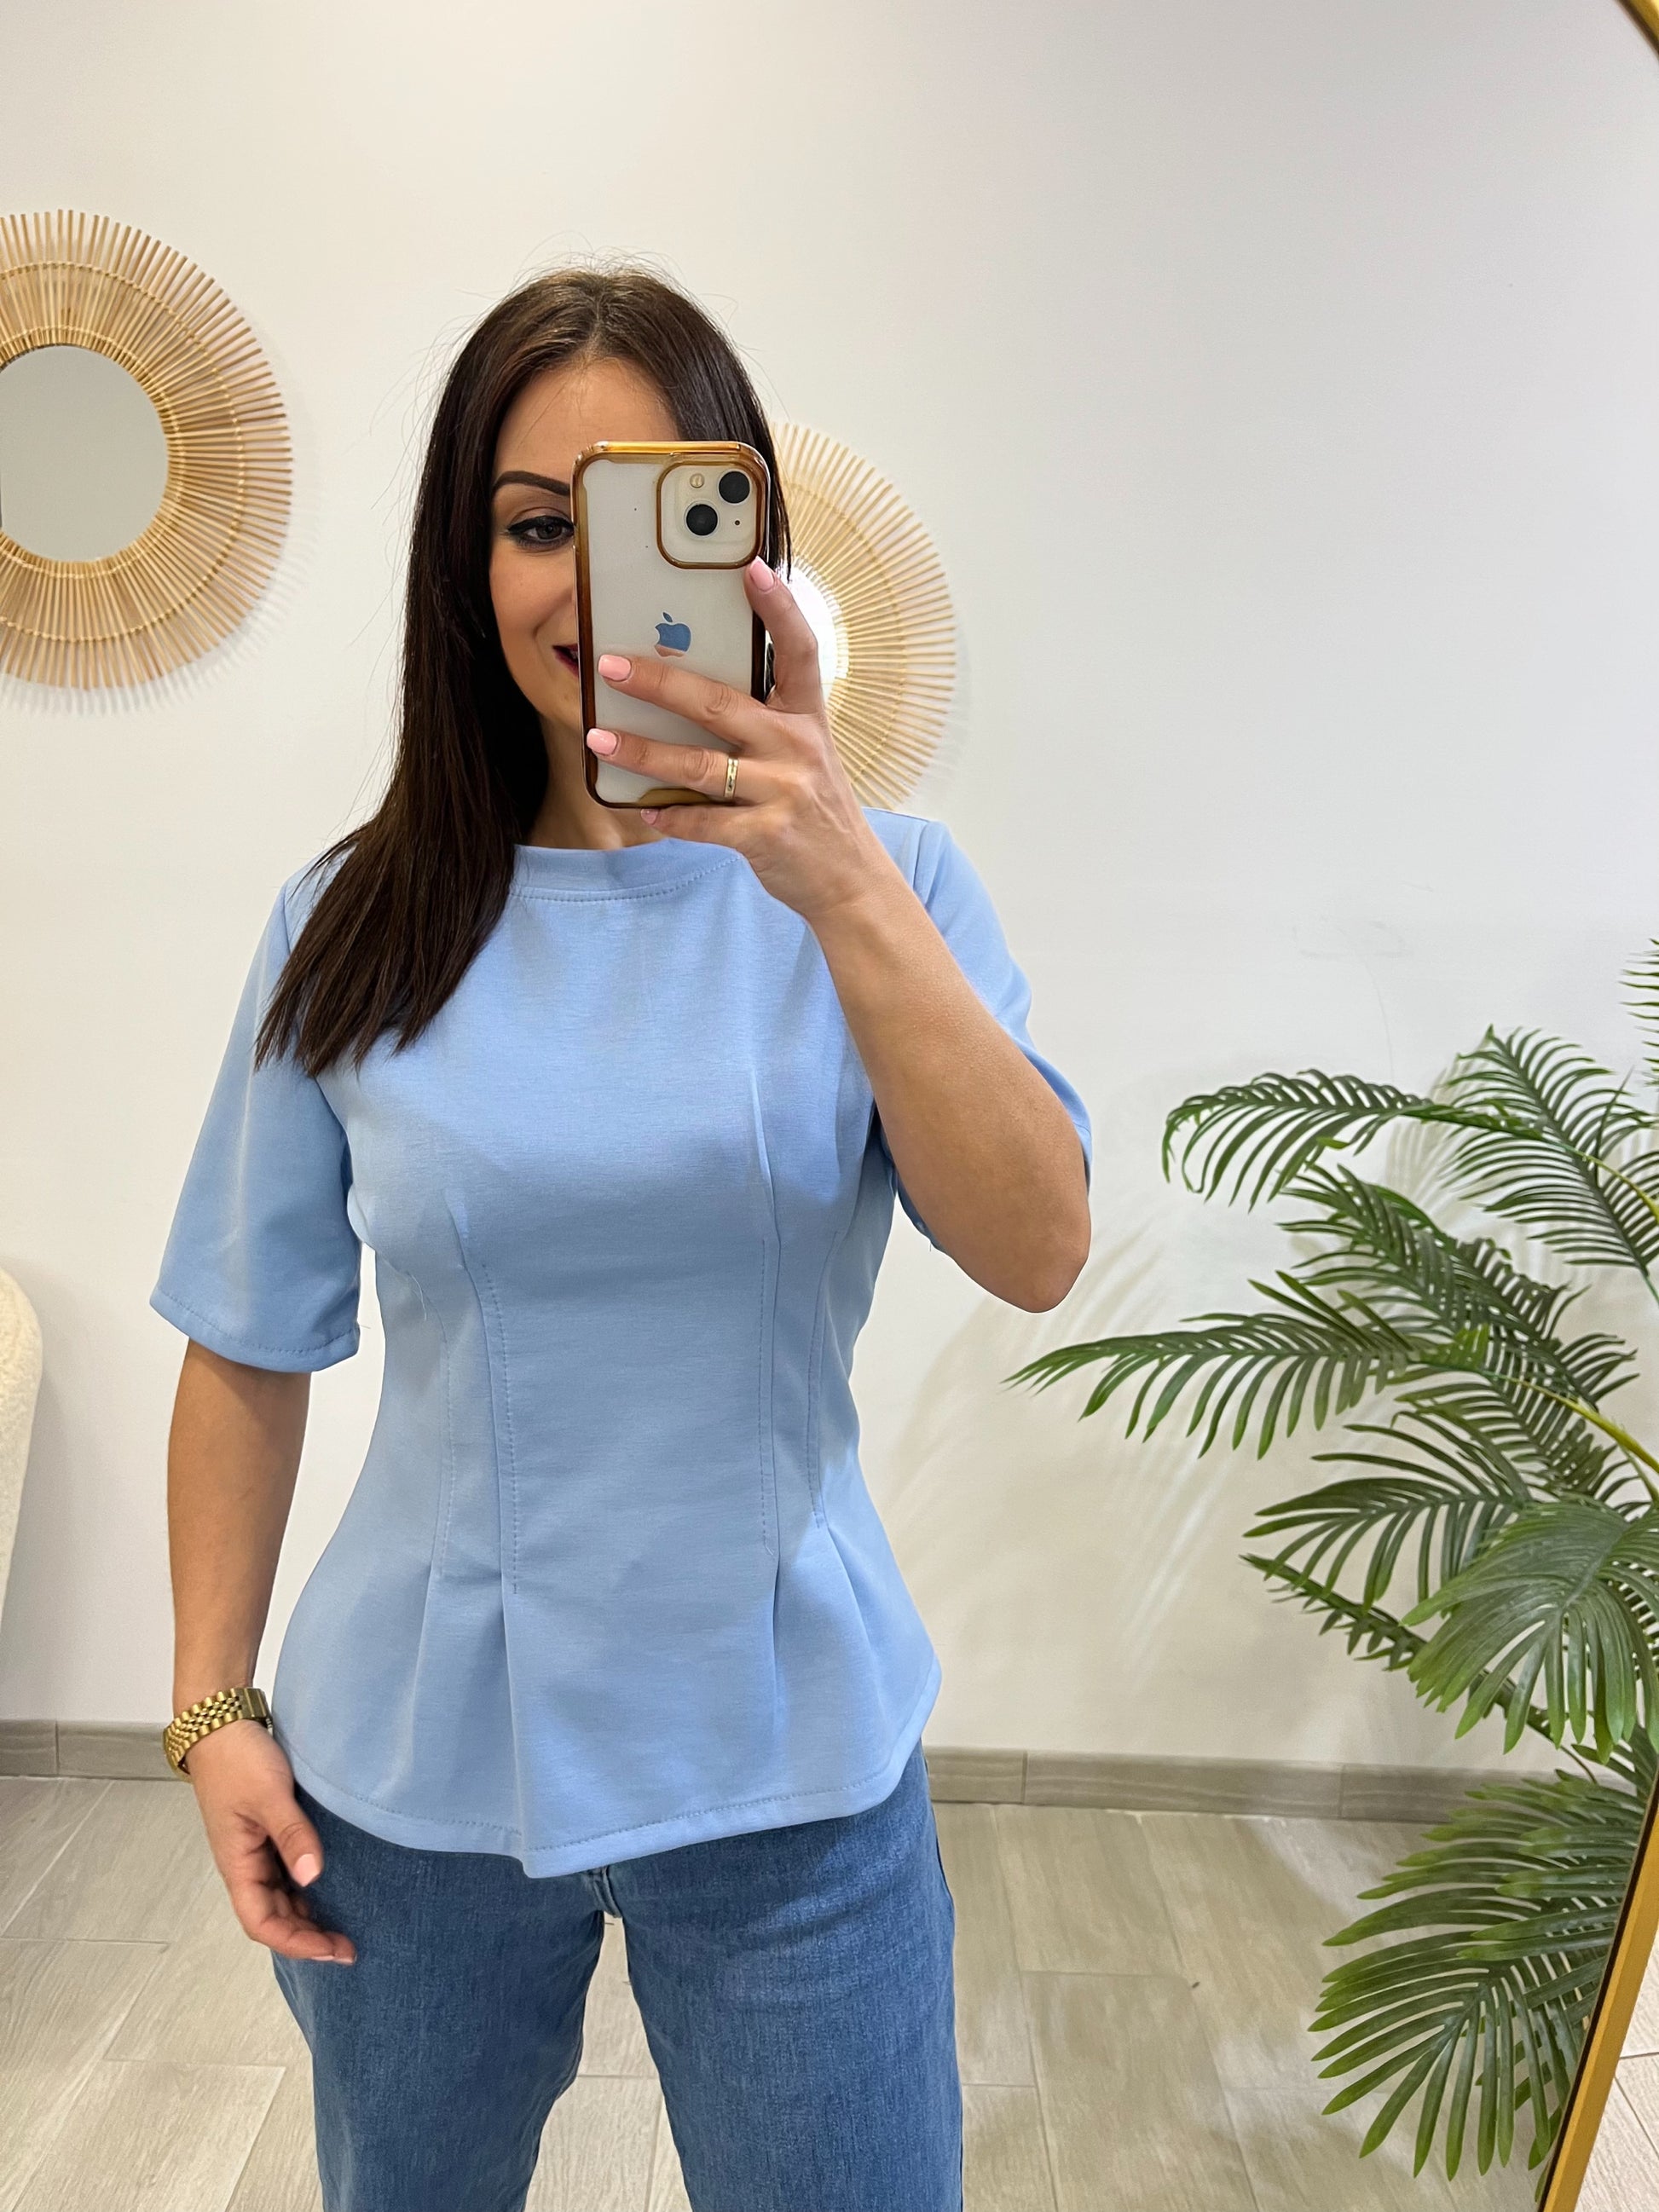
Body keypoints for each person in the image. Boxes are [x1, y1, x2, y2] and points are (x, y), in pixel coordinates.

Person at [150, 264, 1094, 2212]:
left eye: (651, 517)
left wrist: (838, 880)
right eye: (528, 524)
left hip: (788, 1758)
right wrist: (212, 1704)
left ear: (750, 552)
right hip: (413, 1771)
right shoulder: (351, 922)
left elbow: (1036, 1245)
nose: (585, 585)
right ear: (463, 565)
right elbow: (247, 1338)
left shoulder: (892, 888)